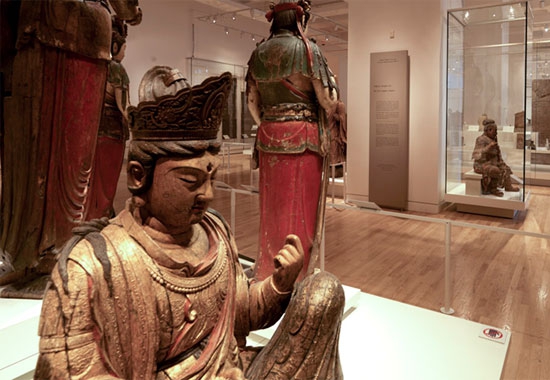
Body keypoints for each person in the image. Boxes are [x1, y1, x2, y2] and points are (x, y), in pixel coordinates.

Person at [35, 70, 345, 379]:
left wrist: (279, 284)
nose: (207, 195)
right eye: (189, 181)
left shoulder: (214, 232)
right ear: (138, 176)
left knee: (323, 293)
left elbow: (243, 314)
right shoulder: (91, 266)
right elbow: (67, 371)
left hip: (231, 369)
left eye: (212, 178)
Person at [0, 0, 142, 290]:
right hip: (70, 31)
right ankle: (35, 251)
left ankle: (38, 250)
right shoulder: (116, 68)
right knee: (47, 154)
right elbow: (129, 10)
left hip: (39, 28)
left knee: (44, 154)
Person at [246, 0, 346, 282]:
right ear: (299, 17)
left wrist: (271, 122)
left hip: (268, 137)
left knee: (272, 211)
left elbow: (253, 103)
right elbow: (328, 101)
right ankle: (296, 277)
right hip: (304, 139)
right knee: (300, 214)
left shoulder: (258, 53)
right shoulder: (308, 51)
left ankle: (267, 271)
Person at [85, 16, 132, 220]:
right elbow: (123, 106)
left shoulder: (98, 65)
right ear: (115, 45)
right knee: (108, 177)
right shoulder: (116, 68)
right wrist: (136, 121)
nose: (125, 52)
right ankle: (102, 214)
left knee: (95, 176)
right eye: (124, 48)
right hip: (112, 131)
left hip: (95, 128)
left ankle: (93, 212)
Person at [472, 119, 519, 197]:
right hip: (481, 164)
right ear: (489, 130)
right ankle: (493, 189)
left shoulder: (493, 139)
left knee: (506, 168)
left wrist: (500, 162)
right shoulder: (481, 139)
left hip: (493, 162)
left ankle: (508, 186)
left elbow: (497, 153)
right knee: (495, 170)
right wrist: (488, 148)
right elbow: (476, 154)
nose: (496, 133)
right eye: (494, 130)